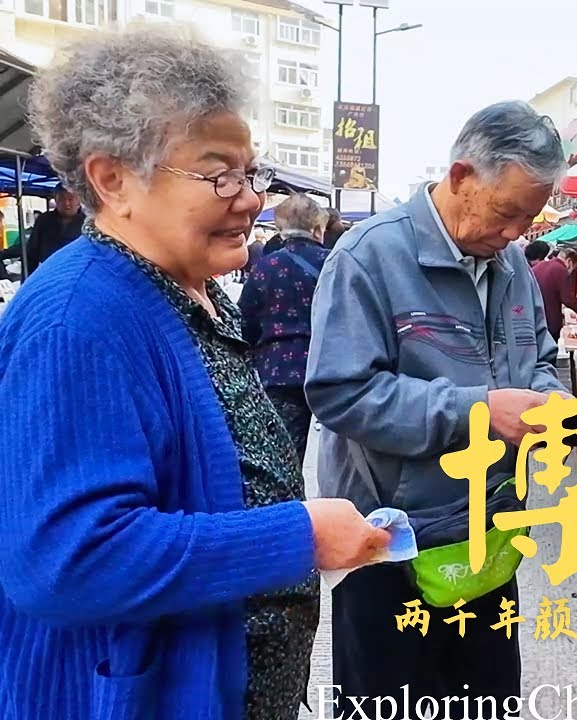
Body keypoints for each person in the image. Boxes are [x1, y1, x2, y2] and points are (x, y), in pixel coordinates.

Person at [0, 26, 389, 720]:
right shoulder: (79, 319)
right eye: (219, 175)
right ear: (113, 179)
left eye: (251, 173)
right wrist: (297, 536)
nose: (248, 200)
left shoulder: (187, 289)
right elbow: (67, 560)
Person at [304, 100, 568, 711]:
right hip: (394, 546)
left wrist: (548, 401)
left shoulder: (511, 267)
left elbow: (543, 357)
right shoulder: (369, 256)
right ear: (460, 177)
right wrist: (480, 410)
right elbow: (342, 393)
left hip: (488, 540)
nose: (514, 235)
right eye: (507, 214)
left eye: (527, 221)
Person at [238, 193, 331, 461]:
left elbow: (246, 319)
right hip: (329, 366)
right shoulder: (333, 262)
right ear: (317, 229)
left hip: (278, 369)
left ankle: (292, 500)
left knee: (287, 454)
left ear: (280, 229)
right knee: (344, 458)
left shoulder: (266, 266)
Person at [530, 239, 577, 341]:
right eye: (573, 268)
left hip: (534, 318)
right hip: (549, 320)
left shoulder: (539, 266)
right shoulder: (560, 269)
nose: (571, 271)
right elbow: (568, 299)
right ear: (569, 262)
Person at [24, 183, 85, 275]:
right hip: (48, 272)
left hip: (76, 273)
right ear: (56, 200)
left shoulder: (88, 224)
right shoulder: (44, 220)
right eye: (62, 199)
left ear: (79, 201)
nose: (66, 203)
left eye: (70, 199)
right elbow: (32, 252)